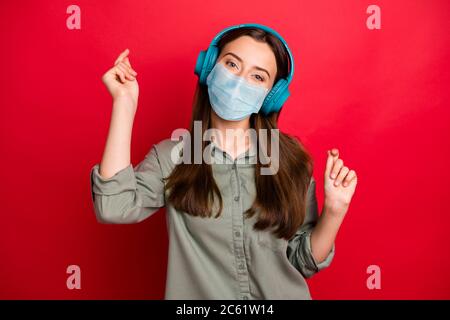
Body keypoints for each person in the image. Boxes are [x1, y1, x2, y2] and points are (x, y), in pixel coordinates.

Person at [90, 23, 358, 300]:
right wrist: (124, 103)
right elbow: (112, 206)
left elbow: (302, 261)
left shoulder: (291, 162)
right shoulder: (173, 157)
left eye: (257, 76)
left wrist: (335, 211)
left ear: (270, 96)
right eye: (232, 64)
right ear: (209, 69)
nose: (239, 81)